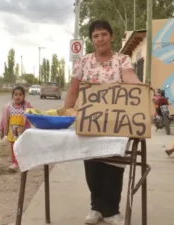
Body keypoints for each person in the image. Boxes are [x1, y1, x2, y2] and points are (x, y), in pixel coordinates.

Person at [63, 20, 141, 225]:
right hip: (89, 120)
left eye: (104, 34)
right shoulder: (83, 62)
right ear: (92, 40)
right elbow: (73, 89)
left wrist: (143, 92)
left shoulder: (122, 60)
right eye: (96, 36)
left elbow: (130, 77)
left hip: (116, 120)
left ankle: (112, 210)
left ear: (111, 36)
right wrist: (64, 113)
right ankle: (96, 207)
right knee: (92, 163)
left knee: (114, 163)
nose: (100, 39)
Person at [0, 86, 33, 172]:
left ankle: (23, 162)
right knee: (14, 148)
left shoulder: (26, 107)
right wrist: (1, 128)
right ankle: (15, 163)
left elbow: (33, 114)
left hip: (23, 132)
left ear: (24, 96)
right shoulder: (9, 108)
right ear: (12, 96)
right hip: (13, 133)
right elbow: (4, 119)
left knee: (22, 147)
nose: (18, 96)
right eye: (16, 94)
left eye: (20, 95)